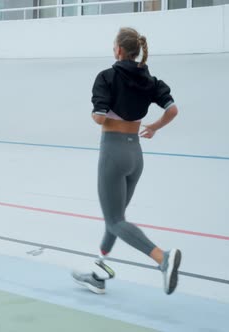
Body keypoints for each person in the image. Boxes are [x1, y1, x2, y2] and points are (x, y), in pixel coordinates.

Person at [72, 27, 182, 295]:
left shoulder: (107, 77)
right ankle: (99, 273)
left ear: (119, 50)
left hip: (113, 153)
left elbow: (98, 116)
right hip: (136, 156)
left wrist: (101, 112)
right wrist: (154, 126)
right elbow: (173, 109)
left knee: (114, 221)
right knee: (116, 218)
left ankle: (162, 258)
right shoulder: (150, 80)